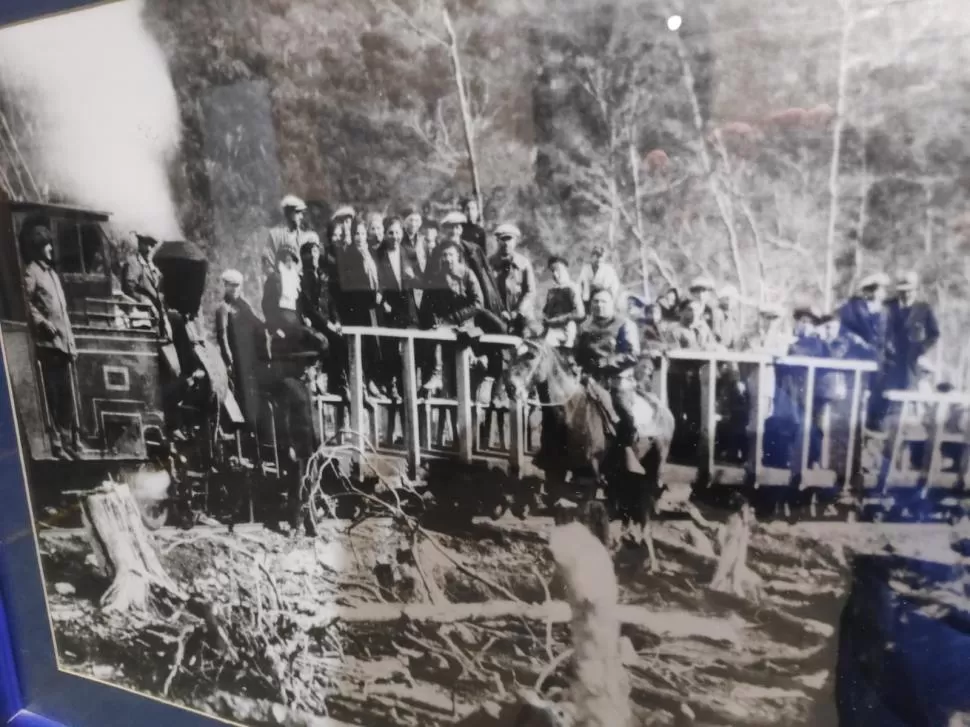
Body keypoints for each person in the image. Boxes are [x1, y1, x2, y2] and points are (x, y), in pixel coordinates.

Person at [574, 289, 646, 474]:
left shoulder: (624, 324)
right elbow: (578, 352)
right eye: (595, 301)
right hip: (590, 379)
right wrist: (577, 366)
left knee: (623, 411)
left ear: (612, 304)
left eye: (603, 302)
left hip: (617, 378)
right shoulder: (585, 326)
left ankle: (627, 451)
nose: (599, 305)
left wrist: (606, 362)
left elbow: (632, 354)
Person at [23, 224, 79, 460]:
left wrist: (71, 343)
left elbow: (63, 313)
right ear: (38, 248)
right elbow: (26, 302)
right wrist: (42, 323)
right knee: (53, 396)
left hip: (63, 345)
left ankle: (68, 443)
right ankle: (56, 444)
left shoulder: (53, 275)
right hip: (49, 345)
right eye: (46, 245)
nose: (50, 248)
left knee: (66, 397)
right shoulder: (31, 272)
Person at [336, 218, 383, 395]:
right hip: (357, 308)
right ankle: (361, 382)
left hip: (373, 307)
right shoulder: (349, 255)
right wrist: (372, 295)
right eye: (357, 233)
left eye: (363, 233)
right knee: (360, 347)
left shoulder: (371, 253)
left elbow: (379, 279)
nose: (360, 237)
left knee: (373, 345)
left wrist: (380, 293)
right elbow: (352, 284)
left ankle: (371, 380)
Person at [376, 217, 421, 394]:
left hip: (408, 308)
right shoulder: (379, 254)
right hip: (389, 308)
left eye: (397, 232)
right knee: (391, 349)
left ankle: (408, 388)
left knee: (409, 352)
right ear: (385, 234)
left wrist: (412, 277)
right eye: (391, 233)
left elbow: (420, 281)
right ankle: (392, 384)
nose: (394, 237)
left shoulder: (409, 253)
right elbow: (378, 282)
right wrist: (384, 303)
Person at [214, 269, 265, 427]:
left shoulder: (243, 305)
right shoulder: (223, 308)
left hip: (247, 355)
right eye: (231, 286)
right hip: (234, 357)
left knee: (250, 391)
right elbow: (222, 337)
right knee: (238, 392)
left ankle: (252, 425)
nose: (234, 289)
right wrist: (228, 359)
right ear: (225, 286)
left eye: (237, 286)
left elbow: (257, 322)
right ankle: (239, 429)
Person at [489, 223, 536, 336]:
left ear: (515, 241)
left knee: (530, 339)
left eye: (509, 239)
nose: (506, 243)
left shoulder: (523, 264)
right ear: (497, 241)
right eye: (502, 239)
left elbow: (530, 292)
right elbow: (488, 292)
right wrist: (500, 311)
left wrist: (518, 312)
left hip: (522, 315)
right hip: (498, 315)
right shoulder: (490, 264)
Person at [121, 233, 169, 337]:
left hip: (158, 314)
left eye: (151, 245)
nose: (148, 248)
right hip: (143, 313)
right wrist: (145, 301)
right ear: (139, 244)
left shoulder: (153, 266)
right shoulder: (133, 262)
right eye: (145, 244)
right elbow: (130, 287)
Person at [263, 195, 319, 275]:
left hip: (301, 282)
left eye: (302, 213)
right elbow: (267, 261)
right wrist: (275, 279)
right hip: (282, 281)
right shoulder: (275, 235)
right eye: (298, 212)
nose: (301, 217)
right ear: (289, 213)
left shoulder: (306, 237)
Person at [839, 272, 890, 360]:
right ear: (867, 291)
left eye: (883, 289)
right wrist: (858, 340)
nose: (883, 292)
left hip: (880, 357)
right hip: (857, 355)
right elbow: (845, 331)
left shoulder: (885, 311)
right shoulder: (852, 308)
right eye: (878, 289)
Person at [542, 256, 585, 348]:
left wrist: (558, 320)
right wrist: (546, 320)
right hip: (553, 328)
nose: (555, 274)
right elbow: (547, 312)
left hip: (568, 328)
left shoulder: (572, 287)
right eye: (552, 271)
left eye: (558, 270)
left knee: (570, 328)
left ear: (566, 269)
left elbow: (580, 313)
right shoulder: (552, 291)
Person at [577, 246, 621, 311]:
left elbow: (615, 287)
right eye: (596, 255)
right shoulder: (586, 269)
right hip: (587, 301)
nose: (599, 258)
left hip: (603, 301)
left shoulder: (609, 269)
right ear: (592, 256)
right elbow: (579, 285)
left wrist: (604, 291)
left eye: (601, 256)